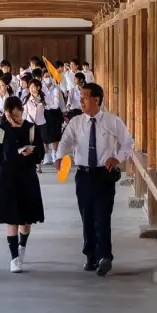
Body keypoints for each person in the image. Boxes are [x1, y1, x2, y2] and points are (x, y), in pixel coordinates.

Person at [55, 83, 134, 277]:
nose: (80, 101)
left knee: (102, 216)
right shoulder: (76, 122)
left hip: (104, 175)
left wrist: (117, 158)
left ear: (96, 99)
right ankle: (90, 255)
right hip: (83, 175)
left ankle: (105, 256)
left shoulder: (112, 121)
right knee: (87, 216)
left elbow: (128, 143)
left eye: (84, 97)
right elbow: (66, 141)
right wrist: (59, 156)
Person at [0, 96, 45, 273]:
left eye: (18, 115)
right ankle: (14, 258)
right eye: (12, 116)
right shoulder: (2, 130)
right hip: (7, 177)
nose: (15, 119)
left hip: (27, 176)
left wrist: (31, 154)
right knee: (11, 218)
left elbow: (40, 152)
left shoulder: (31, 129)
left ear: (22, 111)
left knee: (26, 220)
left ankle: (22, 245)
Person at [22, 78, 47, 174]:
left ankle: (39, 165)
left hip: (41, 124)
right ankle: (31, 164)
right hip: (30, 125)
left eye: (33, 87)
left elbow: (50, 106)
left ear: (38, 87)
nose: (31, 89)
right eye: (30, 87)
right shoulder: (26, 99)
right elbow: (24, 113)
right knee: (31, 145)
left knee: (40, 145)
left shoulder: (44, 98)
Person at [41, 69, 66, 164]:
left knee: (55, 133)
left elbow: (61, 102)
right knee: (45, 133)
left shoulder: (56, 88)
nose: (47, 78)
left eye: (49, 76)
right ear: (43, 78)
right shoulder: (41, 88)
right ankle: (46, 154)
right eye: (45, 76)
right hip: (44, 113)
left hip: (55, 113)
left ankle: (54, 153)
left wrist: (64, 112)